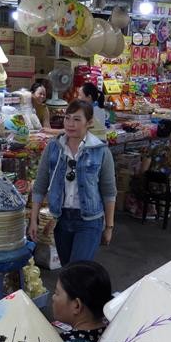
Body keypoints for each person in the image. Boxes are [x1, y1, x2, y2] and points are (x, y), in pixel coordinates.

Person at [29, 100, 117, 265]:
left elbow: (109, 192)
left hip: (89, 220)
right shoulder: (53, 147)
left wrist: (109, 227)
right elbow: (40, 185)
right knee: (68, 270)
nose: (70, 124)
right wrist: (34, 220)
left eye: (77, 119)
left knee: (77, 269)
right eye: (67, 118)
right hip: (62, 219)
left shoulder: (100, 151)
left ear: (89, 123)